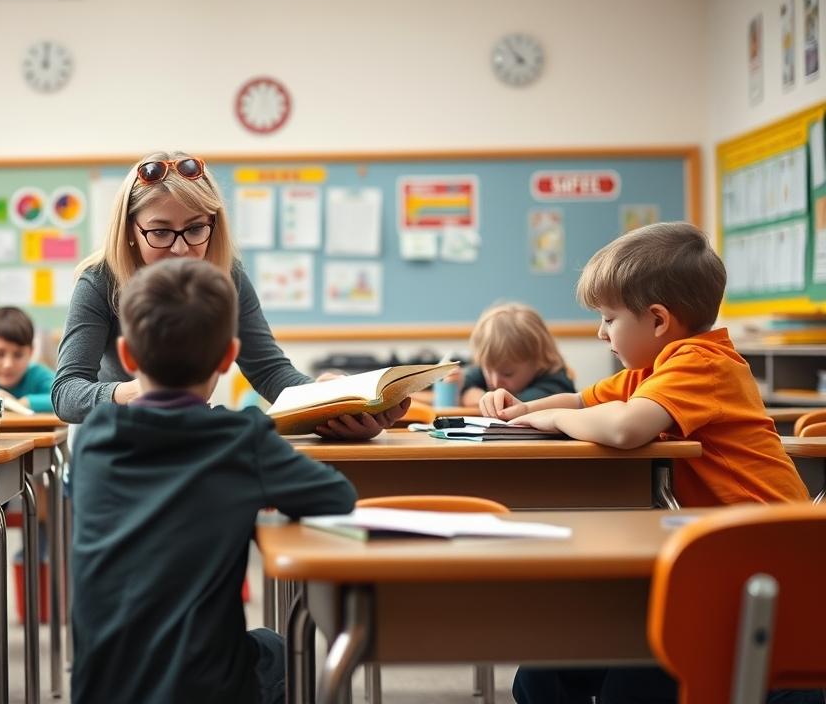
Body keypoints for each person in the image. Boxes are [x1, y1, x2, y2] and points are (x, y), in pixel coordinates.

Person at [484, 223, 815, 704]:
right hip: (712, 566)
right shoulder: (654, 370)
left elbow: (625, 428)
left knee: (628, 685)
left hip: (766, 577)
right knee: (541, 674)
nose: (600, 333)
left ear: (658, 320)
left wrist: (551, 418)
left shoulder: (703, 363)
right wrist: (520, 409)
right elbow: (581, 400)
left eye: (608, 319)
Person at [70, 258, 362, 704]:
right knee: (280, 649)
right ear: (228, 357)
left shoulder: (94, 437)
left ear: (127, 356)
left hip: (100, 689)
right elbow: (338, 496)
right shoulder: (242, 440)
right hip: (204, 687)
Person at [53, 151, 402, 436]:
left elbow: (269, 372)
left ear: (213, 224)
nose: (180, 249)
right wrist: (136, 391)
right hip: (117, 441)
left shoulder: (227, 276)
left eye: (195, 229)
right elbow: (66, 392)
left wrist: (332, 402)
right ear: (131, 230)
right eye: (160, 232)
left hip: (191, 436)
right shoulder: (100, 281)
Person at [451, 302, 574, 407]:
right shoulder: (496, 367)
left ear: (538, 362)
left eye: (507, 374)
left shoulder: (556, 384)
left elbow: (515, 407)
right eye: (487, 370)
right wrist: (460, 385)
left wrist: (478, 398)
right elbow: (467, 381)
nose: (495, 382)